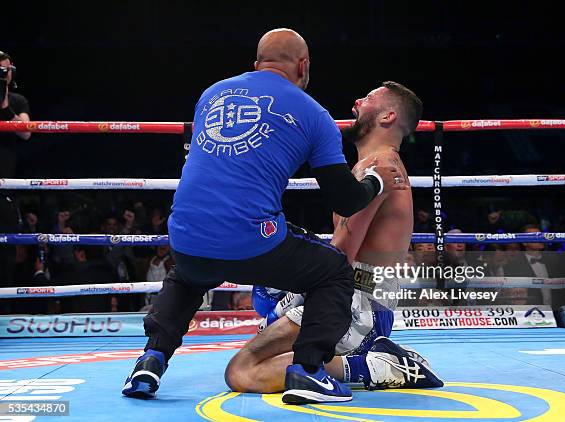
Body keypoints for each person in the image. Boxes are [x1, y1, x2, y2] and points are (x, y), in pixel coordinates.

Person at [122, 28, 408, 404]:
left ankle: (151, 359)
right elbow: (345, 196)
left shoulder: (211, 94)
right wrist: (373, 183)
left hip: (185, 234)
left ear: (256, 63)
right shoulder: (313, 113)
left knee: (189, 274)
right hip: (252, 240)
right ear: (303, 66)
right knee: (333, 269)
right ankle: (308, 371)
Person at [224, 82, 443, 394]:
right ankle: (365, 358)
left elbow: (340, 253)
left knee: (243, 371)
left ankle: (382, 366)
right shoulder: (371, 166)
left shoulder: (380, 167)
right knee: (249, 361)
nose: (356, 101)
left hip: (355, 305)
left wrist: (289, 281)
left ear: (388, 116)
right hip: (349, 297)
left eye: (368, 98)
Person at [0, 50, 31, 178]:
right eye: (1, 70)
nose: (5, 74)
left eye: (8, 70)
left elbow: (26, 133)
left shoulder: (18, 100)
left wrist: (6, 109)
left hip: (5, 162)